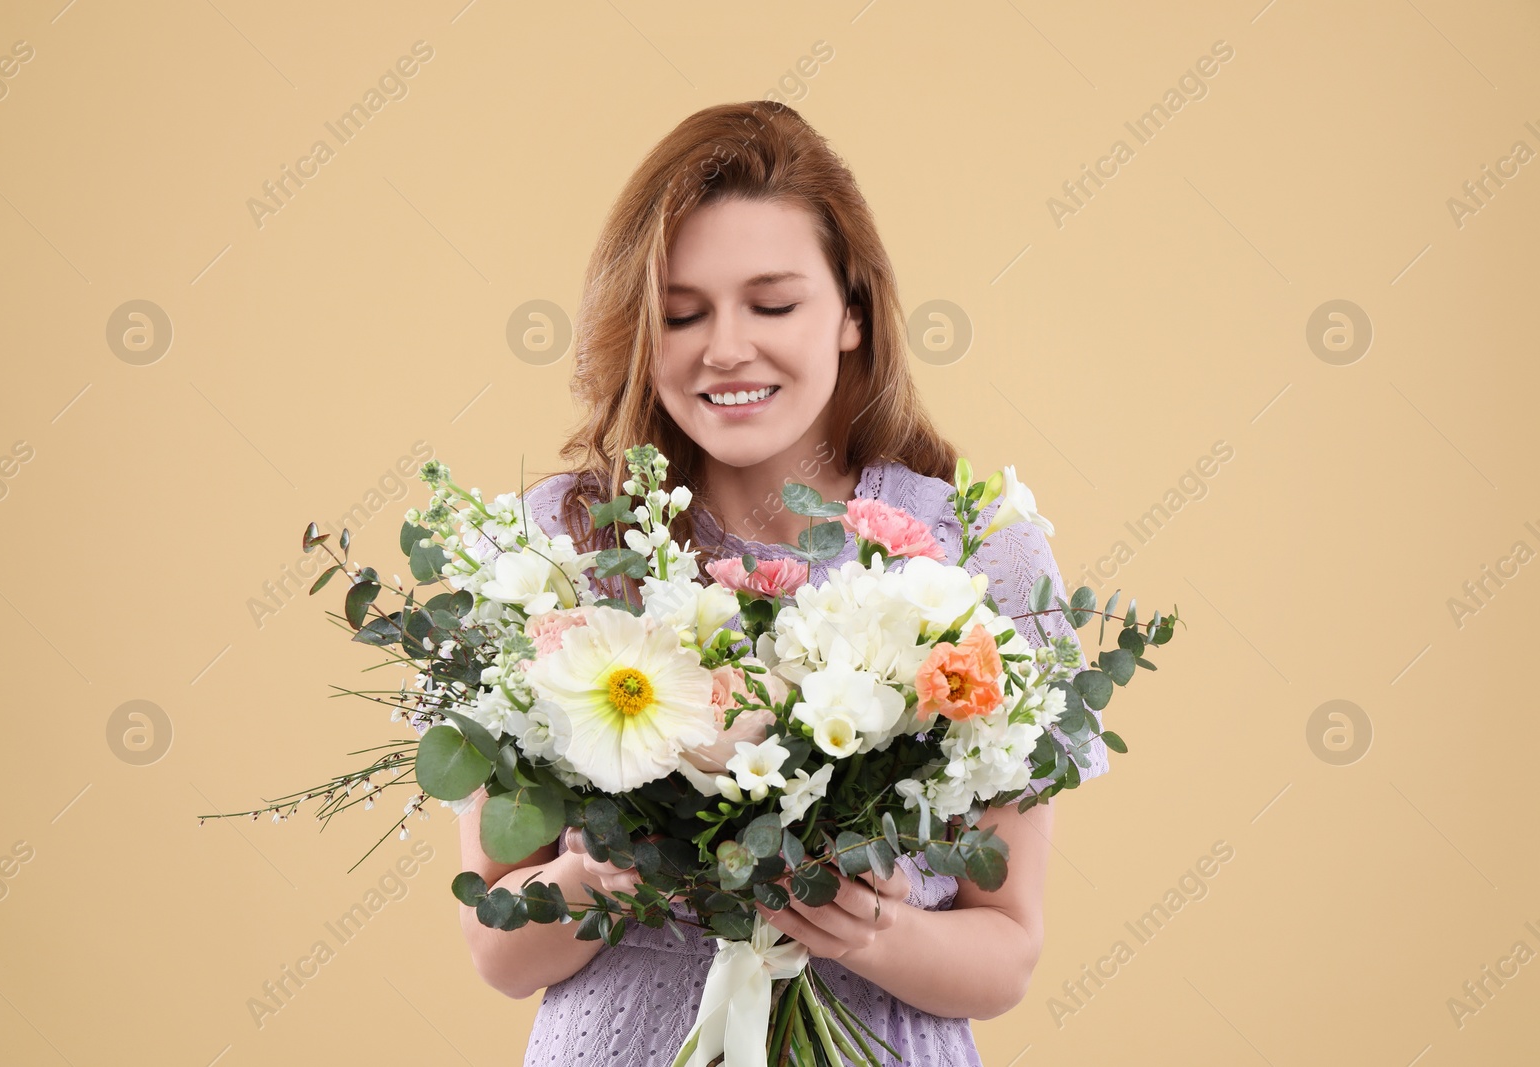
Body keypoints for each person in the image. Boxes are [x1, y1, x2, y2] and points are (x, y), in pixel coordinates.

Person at [456, 100, 1109, 1065]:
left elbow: (1007, 948)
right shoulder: (556, 548)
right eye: (681, 313)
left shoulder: (973, 557)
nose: (725, 348)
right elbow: (498, 949)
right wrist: (606, 874)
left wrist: (875, 931)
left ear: (852, 312)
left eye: (773, 303)